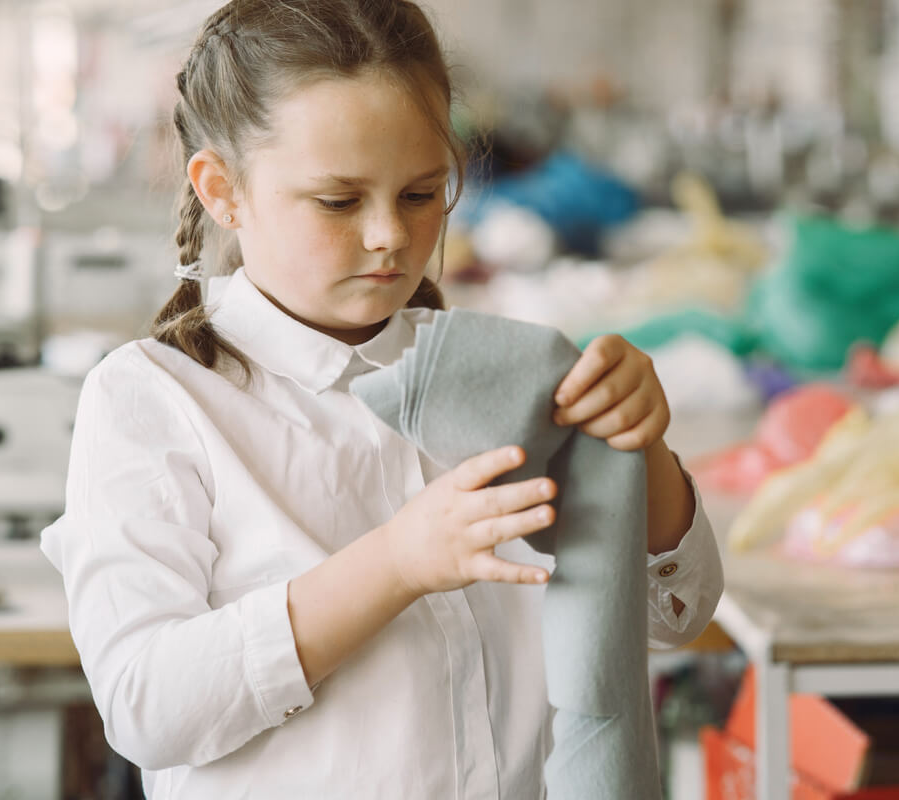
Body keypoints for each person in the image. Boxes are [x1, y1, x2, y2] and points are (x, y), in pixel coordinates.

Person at [40, 1, 724, 797]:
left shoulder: (504, 373)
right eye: (338, 202)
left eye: (421, 193)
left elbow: (678, 617)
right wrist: (396, 563)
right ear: (222, 190)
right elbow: (146, 706)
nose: (389, 237)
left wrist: (640, 450)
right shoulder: (152, 400)